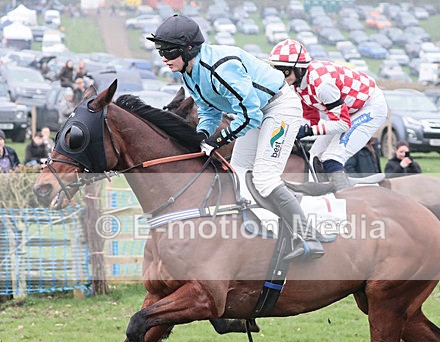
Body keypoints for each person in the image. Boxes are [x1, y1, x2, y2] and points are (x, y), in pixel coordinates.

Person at [148, 15, 323, 260]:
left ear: (189, 49)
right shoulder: (188, 71)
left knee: (264, 178)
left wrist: (216, 141)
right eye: (160, 51)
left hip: (279, 108)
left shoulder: (220, 67)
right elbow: (209, 110)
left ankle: (308, 237)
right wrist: (202, 136)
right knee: (238, 171)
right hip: (258, 110)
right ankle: (263, 231)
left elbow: (249, 116)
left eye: (169, 51)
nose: (164, 58)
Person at [267, 39, 389, 190]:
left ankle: (346, 201)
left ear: (299, 68)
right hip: (347, 110)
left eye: (284, 71)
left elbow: (343, 124)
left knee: (332, 159)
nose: (281, 77)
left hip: (370, 106)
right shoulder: (298, 84)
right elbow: (312, 118)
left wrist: (308, 131)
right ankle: (326, 194)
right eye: (276, 71)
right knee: (315, 157)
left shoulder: (322, 85)